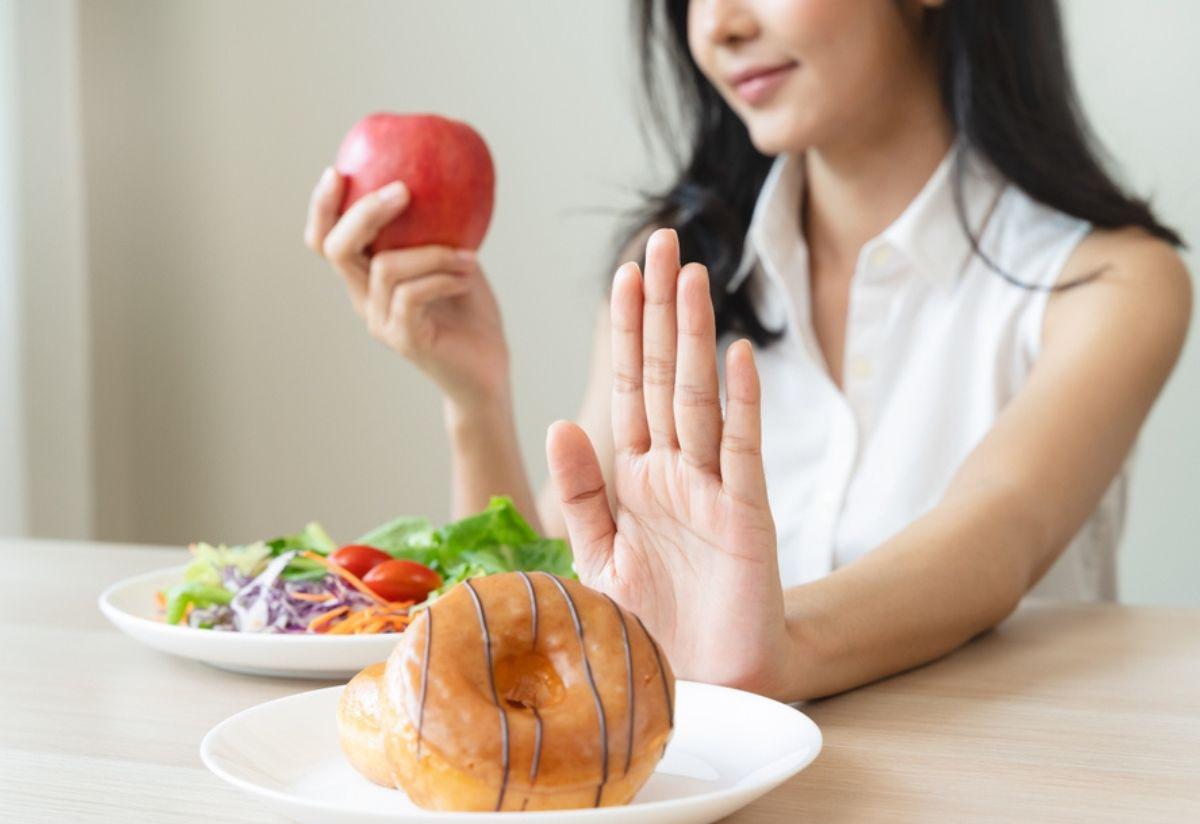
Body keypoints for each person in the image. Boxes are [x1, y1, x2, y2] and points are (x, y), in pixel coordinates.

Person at [303, 0, 1191, 702]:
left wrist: (774, 647)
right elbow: (545, 591)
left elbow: (996, 534)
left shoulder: (1113, 284)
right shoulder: (675, 265)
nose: (717, 24)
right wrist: (474, 398)